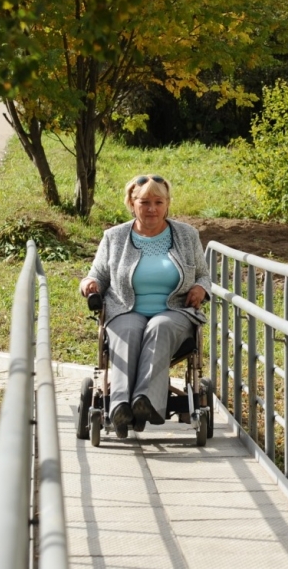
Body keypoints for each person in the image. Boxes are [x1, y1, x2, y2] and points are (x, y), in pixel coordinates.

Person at [80, 174, 211, 438]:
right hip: (125, 309)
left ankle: (144, 402)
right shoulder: (114, 237)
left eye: (158, 202)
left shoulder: (187, 235)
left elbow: (203, 276)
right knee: (129, 330)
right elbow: (98, 274)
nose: (152, 208)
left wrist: (200, 288)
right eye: (144, 202)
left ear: (167, 203)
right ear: (131, 202)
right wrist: (89, 283)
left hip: (174, 311)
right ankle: (119, 407)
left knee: (159, 327)